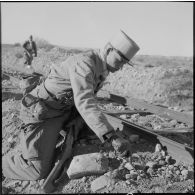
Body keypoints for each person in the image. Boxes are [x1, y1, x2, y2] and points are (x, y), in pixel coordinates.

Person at [2, 30, 140, 181]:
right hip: (43, 114)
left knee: (86, 131)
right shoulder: (85, 64)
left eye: (124, 63)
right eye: (120, 60)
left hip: (63, 111)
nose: (121, 67)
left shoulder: (100, 67)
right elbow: (85, 102)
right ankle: (6, 165)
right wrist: (111, 136)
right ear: (108, 50)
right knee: (37, 171)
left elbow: (85, 101)